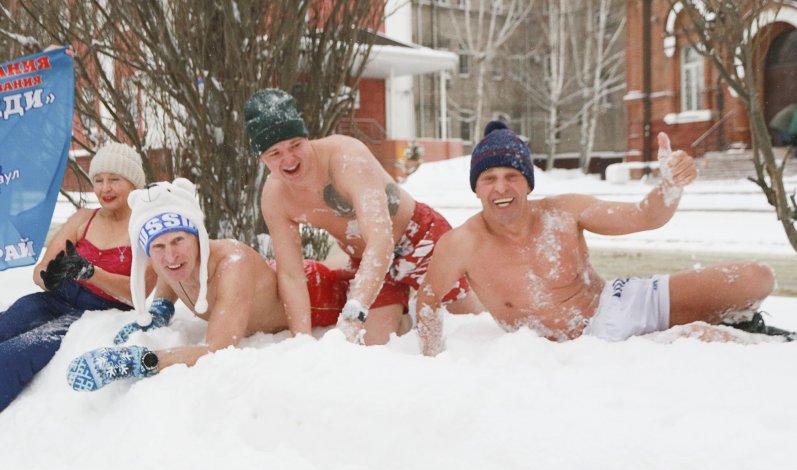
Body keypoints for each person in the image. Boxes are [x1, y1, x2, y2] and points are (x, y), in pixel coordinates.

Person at [416, 121, 791, 356]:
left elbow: (644, 216)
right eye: (489, 178)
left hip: (617, 302)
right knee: (705, 340)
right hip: (591, 345)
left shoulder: (563, 212)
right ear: (476, 188)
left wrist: (671, 185)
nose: (501, 188)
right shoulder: (461, 244)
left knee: (757, 278)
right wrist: (432, 360)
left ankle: (735, 323)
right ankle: (769, 348)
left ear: (528, 183)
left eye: (511, 176)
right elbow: (429, 301)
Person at [244, 88, 481, 346]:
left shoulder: (346, 158)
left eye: (295, 145)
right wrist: (302, 340)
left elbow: (381, 239)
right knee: (372, 342)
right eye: (275, 153)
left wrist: (355, 309)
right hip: (367, 261)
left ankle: (426, 295)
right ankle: (404, 314)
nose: (289, 159)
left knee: (472, 323)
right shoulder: (276, 197)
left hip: (419, 239)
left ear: (306, 138)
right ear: (261, 158)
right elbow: (291, 274)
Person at [66, 178, 349, 391]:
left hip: (316, 291)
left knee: (351, 279)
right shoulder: (166, 259)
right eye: (159, 246)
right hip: (263, 279)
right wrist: (160, 311)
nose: (171, 255)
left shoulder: (232, 268)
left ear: (198, 236)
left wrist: (138, 360)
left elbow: (218, 350)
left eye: (179, 240)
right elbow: (167, 274)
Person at [0, 142, 155, 411]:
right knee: (8, 323)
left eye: (114, 179)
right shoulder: (83, 218)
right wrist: (49, 278)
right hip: (56, 298)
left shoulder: (146, 229)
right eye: (98, 180)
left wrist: (91, 273)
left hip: (93, 314)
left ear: (134, 184)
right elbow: (41, 271)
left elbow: (137, 293)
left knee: (17, 353)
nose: (105, 188)